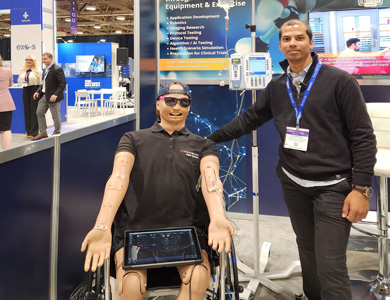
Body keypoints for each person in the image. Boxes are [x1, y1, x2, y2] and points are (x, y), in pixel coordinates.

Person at [207, 19, 376, 300]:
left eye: (299, 38)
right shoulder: (277, 86)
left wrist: (360, 188)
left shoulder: (339, 81)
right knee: (307, 250)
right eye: (286, 39)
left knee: (330, 263)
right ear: (280, 45)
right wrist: (209, 141)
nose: (292, 43)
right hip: (294, 183)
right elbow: (249, 119)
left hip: (333, 186)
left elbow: (363, 136)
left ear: (311, 43)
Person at [81, 81, 234, 300]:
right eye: (170, 100)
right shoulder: (133, 139)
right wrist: (103, 225)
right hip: (135, 231)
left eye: (184, 102)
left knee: (198, 276)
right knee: (131, 283)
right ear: (157, 105)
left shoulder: (203, 145)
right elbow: (118, 177)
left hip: (187, 231)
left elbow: (212, 180)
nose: (177, 106)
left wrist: (218, 218)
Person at [32, 52, 66, 140]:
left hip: (53, 97)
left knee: (55, 115)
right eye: (42, 59)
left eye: (45, 59)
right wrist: (37, 91)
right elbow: (43, 83)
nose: (43, 60)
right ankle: (43, 132)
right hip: (44, 96)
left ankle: (57, 132)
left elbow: (63, 83)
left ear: (51, 58)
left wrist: (55, 94)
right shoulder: (45, 70)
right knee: (39, 112)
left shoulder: (57, 69)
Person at [18, 55, 42, 138]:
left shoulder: (38, 70)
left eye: (30, 60)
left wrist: (38, 92)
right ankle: (28, 131)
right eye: (27, 60)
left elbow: (41, 83)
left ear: (34, 60)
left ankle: (34, 132)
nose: (28, 61)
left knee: (34, 111)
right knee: (27, 111)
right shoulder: (24, 70)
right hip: (25, 90)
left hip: (34, 90)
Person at [0, 55, 15, 151]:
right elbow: (10, 84)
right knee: (6, 129)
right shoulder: (7, 70)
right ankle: (5, 155)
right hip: (5, 104)